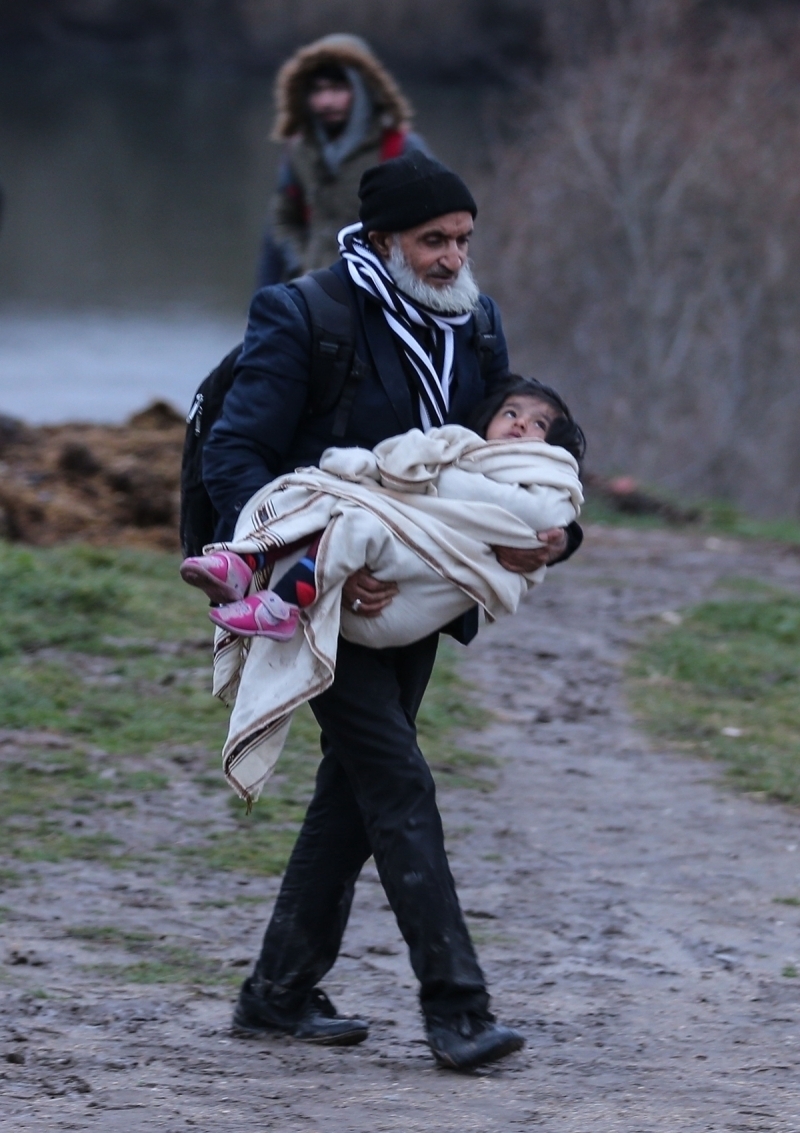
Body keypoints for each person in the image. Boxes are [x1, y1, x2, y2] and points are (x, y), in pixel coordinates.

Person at [203, 151, 583, 1070]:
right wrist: (314, 562)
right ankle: (458, 1008)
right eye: (433, 240)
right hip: (318, 594)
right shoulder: (306, 314)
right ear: (381, 240)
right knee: (399, 781)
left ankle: (277, 993)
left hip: (420, 596)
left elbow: (511, 451)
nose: (454, 257)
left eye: (464, 239)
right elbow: (235, 458)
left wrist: (557, 535)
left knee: (357, 788)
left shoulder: (473, 321)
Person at [182, 379, 585, 641]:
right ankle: (245, 560)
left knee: (359, 523)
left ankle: (282, 604)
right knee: (314, 489)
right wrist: (393, 467)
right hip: (389, 518)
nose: (520, 424)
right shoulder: (465, 446)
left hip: (428, 566)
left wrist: (560, 540)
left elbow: (539, 512)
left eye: (539, 424)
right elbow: (418, 459)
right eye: (511, 414)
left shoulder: (547, 472)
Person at [257, 33, 429, 286]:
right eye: (317, 90)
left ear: (362, 89)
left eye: (338, 89)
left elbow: (435, 229)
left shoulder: (399, 148)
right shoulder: (299, 150)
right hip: (313, 290)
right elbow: (281, 221)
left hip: (382, 295)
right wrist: (300, 264)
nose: (326, 101)